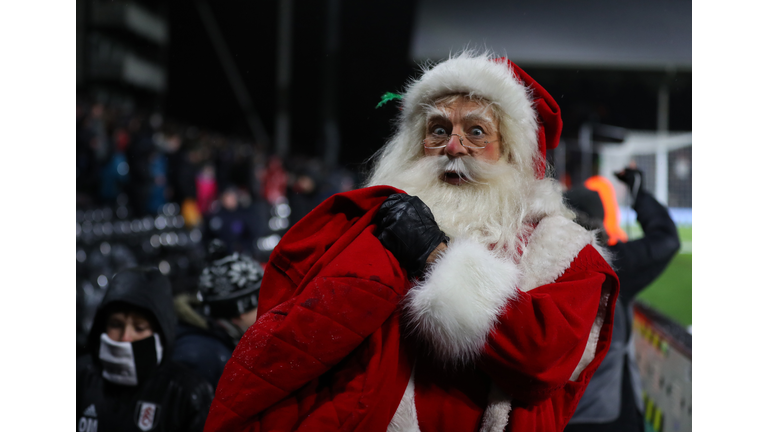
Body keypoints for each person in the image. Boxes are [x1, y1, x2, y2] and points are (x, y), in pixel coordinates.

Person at [204, 51, 619, 432]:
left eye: (476, 131)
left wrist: (438, 256)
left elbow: (542, 357)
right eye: (438, 129)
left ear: (512, 152)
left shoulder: (564, 253)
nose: (453, 146)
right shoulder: (375, 220)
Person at [564, 167, 680, 432]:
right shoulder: (611, 262)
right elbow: (665, 240)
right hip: (605, 412)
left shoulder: (541, 258)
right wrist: (640, 196)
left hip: (555, 414)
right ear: (601, 220)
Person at [77, 267, 214, 432]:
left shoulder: (186, 393)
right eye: (116, 325)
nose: (126, 337)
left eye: (139, 328)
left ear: (160, 333)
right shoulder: (81, 377)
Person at [173, 240, 265, 389]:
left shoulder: (223, 340)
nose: (268, 311)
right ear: (239, 311)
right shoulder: (199, 356)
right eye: (261, 303)